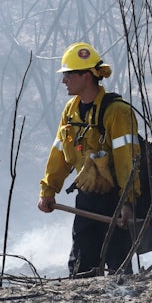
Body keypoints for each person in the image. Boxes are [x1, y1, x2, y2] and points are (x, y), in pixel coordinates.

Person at [38, 43, 140, 276]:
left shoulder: (117, 112)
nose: (64, 81)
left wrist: (128, 202)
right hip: (86, 200)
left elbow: (128, 161)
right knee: (81, 269)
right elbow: (59, 154)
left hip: (115, 201)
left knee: (119, 271)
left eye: (68, 75)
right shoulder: (70, 111)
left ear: (86, 76)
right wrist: (48, 189)